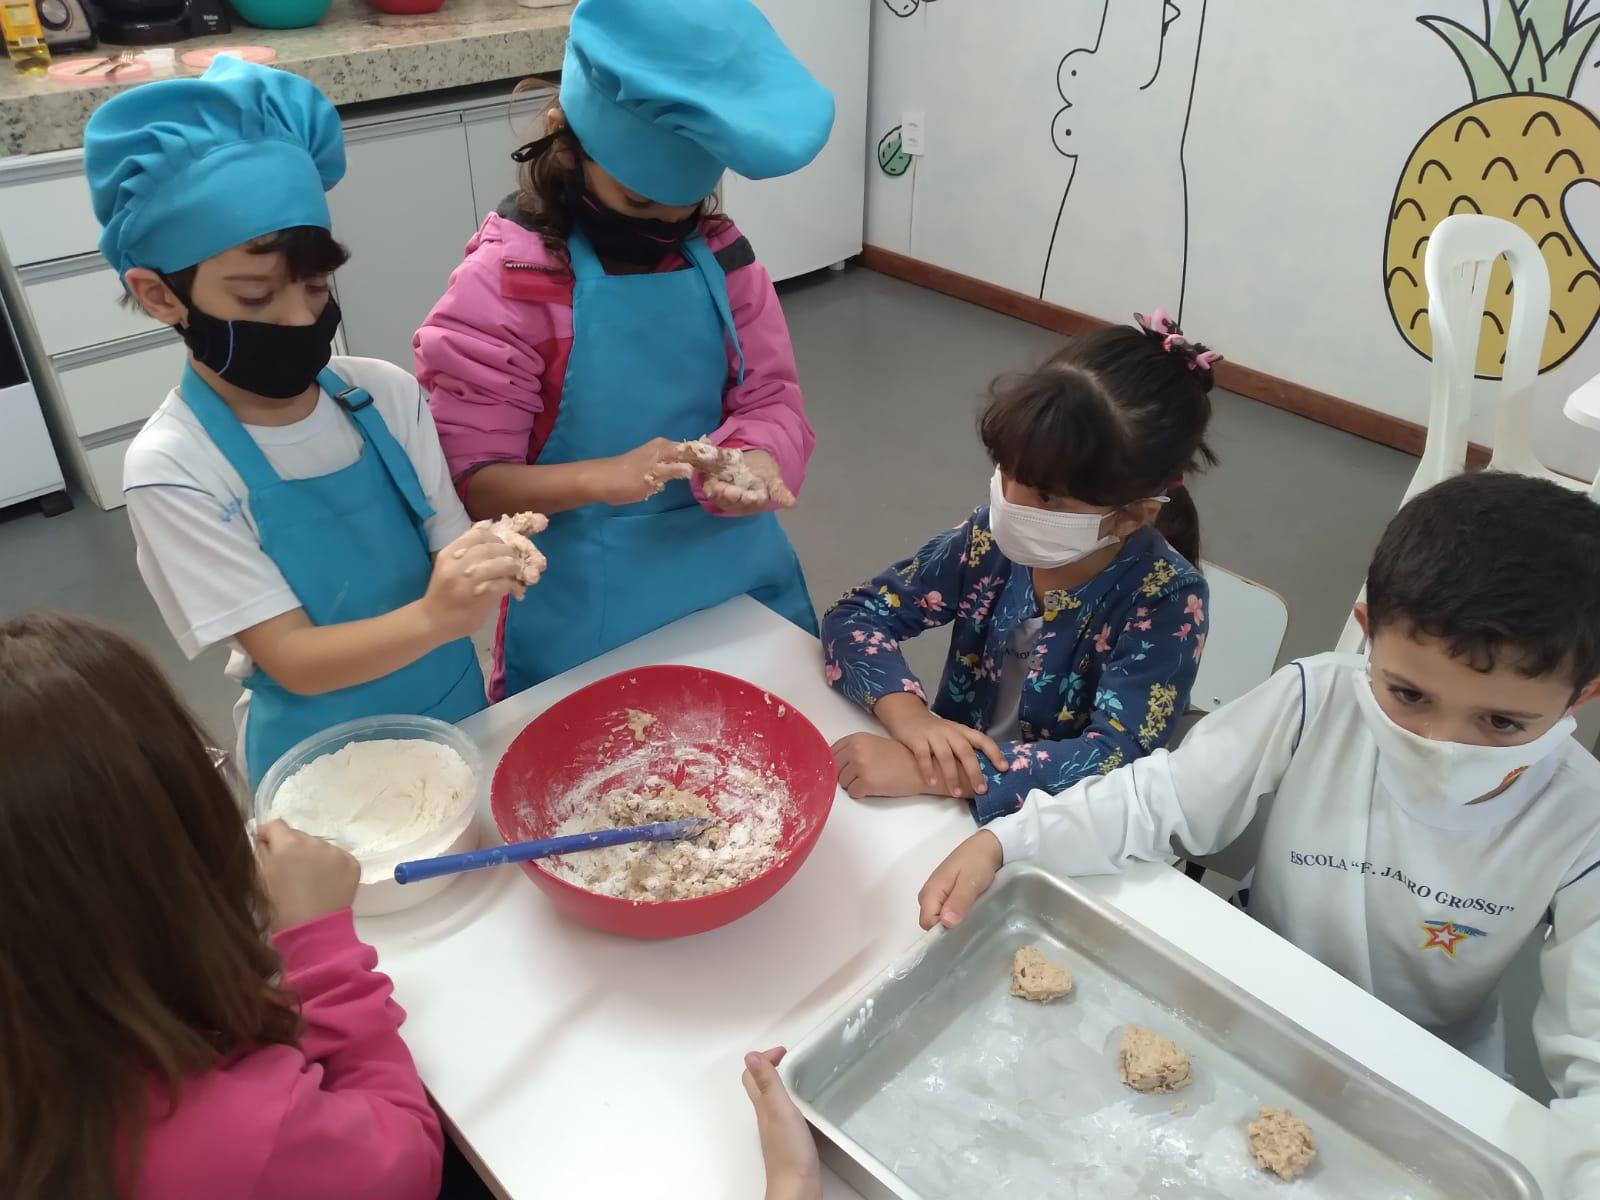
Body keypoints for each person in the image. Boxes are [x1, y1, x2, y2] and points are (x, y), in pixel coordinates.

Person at [918, 471, 1600, 1195]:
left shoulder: (1581, 821)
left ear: (1581, 698)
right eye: (1408, 694)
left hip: (1425, 1068)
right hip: (1249, 994)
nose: (1441, 743)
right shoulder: (1315, 699)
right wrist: (1011, 841)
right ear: (1368, 635)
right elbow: (1160, 802)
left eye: (1500, 723)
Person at [84, 59, 526, 788]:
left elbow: (451, 551)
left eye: (315, 286)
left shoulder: (382, 396)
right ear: (160, 295)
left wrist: (497, 555)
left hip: (457, 712)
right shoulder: (177, 467)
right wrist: (439, 618)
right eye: (255, 297)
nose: (300, 318)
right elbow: (292, 656)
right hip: (326, 764)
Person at [414, 0, 834, 699]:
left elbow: (771, 398)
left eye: (688, 209)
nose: (668, 230)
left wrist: (758, 459)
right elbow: (477, 482)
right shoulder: (507, 287)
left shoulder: (723, 260)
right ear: (566, 140)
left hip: (738, 584)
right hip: (587, 612)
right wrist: (601, 477)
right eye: (641, 204)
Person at [0, 613, 443, 1200]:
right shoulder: (232, 1139)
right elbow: (406, 1160)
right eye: (202, 768)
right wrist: (322, 951)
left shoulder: (52, 1033)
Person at [824, 313, 1218, 824]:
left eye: (1048, 499)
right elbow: (857, 615)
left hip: (1055, 832)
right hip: (942, 812)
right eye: (1007, 472)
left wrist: (933, 773)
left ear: (1130, 517)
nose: (1009, 502)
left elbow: (1119, 758)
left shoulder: (1166, 601)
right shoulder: (987, 538)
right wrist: (910, 717)